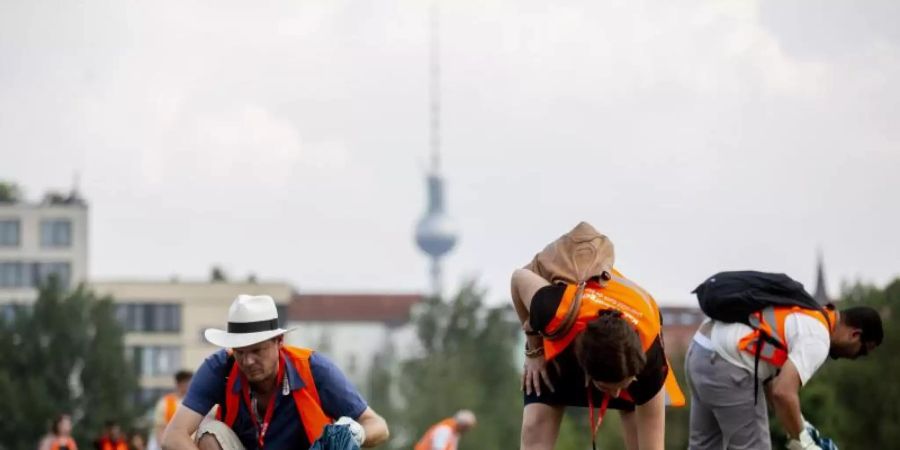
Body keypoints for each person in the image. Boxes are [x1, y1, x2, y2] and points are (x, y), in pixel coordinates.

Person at [511, 222, 685, 450]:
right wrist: (534, 349)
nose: (615, 393)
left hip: (632, 336)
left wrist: (624, 383)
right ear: (587, 372)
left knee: (641, 438)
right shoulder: (554, 310)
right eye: (606, 387)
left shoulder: (649, 364)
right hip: (564, 341)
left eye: (621, 385)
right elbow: (518, 278)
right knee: (536, 429)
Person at [162, 294, 389, 450]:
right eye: (240, 352)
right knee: (210, 433)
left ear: (278, 341)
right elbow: (173, 436)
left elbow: (378, 426)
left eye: (257, 350)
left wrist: (355, 433)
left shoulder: (315, 370)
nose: (248, 361)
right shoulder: (219, 369)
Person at [687, 297, 883, 449]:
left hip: (700, 349)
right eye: (863, 350)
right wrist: (805, 445)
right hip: (727, 361)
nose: (857, 357)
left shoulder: (807, 311)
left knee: (704, 447)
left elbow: (772, 386)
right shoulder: (818, 338)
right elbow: (783, 393)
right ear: (855, 334)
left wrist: (801, 426)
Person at [150, 370, 194, 450]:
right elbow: (160, 429)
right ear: (179, 384)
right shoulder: (165, 403)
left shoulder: (195, 403)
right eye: (187, 382)